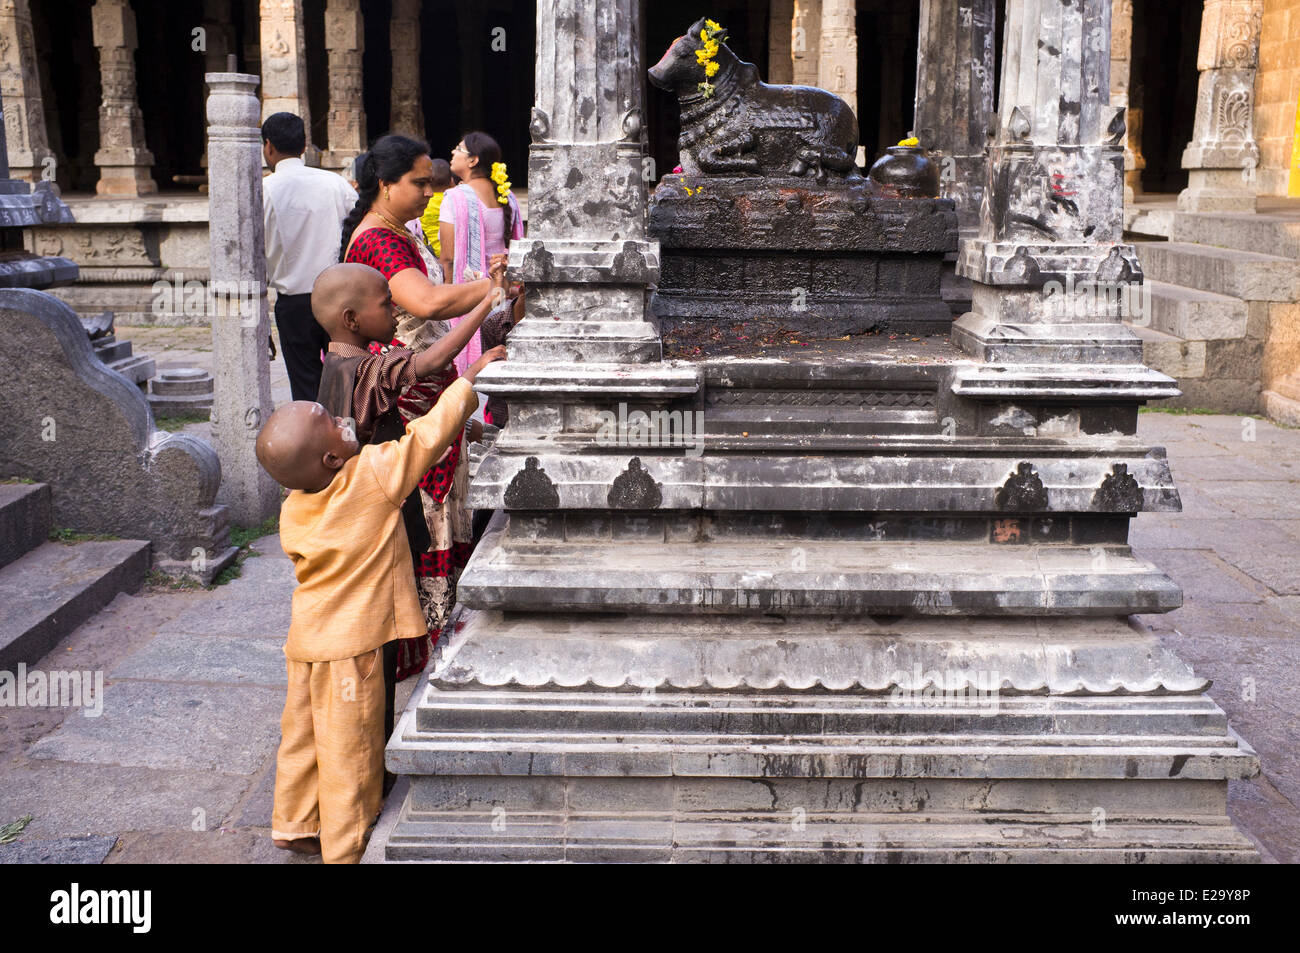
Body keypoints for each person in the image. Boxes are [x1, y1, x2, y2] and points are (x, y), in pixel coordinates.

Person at [256, 346, 505, 864]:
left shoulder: (296, 505)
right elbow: (427, 438)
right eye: (331, 420)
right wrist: (471, 380)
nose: (342, 416)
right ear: (330, 458)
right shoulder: (369, 476)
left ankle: (295, 822)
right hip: (354, 645)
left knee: (301, 735)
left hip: (306, 640)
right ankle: (346, 847)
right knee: (354, 749)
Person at [310, 261, 503, 761]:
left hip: (357, 518)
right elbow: (431, 362)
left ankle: (372, 745)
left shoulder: (335, 364)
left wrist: (473, 432)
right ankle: (373, 759)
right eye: (384, 303)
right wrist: (485, 306)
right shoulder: (368, 368)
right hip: (379, 516)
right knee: (382, 637)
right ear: (352, 319)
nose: (395, 309)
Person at [341, 133, 506, 681]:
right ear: (384, 185)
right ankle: (425, 641)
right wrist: (493, 287)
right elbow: (429, 304)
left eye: (431, 181)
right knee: (425, 521)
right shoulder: (377, 243)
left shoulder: (401, 234)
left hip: (428, 391)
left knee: (442, 517)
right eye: (417, 182)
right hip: (406, 400)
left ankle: (440, 631)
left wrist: (490, 294)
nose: (428, 191)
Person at [261, 111, 358, 402]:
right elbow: (356, 234)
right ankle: (350, 438)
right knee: (347, 381)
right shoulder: (336, 184)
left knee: (305, 385)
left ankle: (313, 442)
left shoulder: (263, 190)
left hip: (294, 303)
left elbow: (253, 255)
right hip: (340, 298)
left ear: (268, 146)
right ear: (305, 145)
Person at [440, 131, 524, 380]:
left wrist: (447, 302)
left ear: (473, 160)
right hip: (505, 294)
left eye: (458, 149)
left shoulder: (455, 197)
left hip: (471, 294)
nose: (452, 154)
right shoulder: (507, 196)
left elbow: (447, 258)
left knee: (474, 365)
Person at [417, 158, 455, 260]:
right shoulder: (454, 202)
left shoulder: (422, 202)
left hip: (429, 257)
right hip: (452, 254)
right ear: (451, 182)